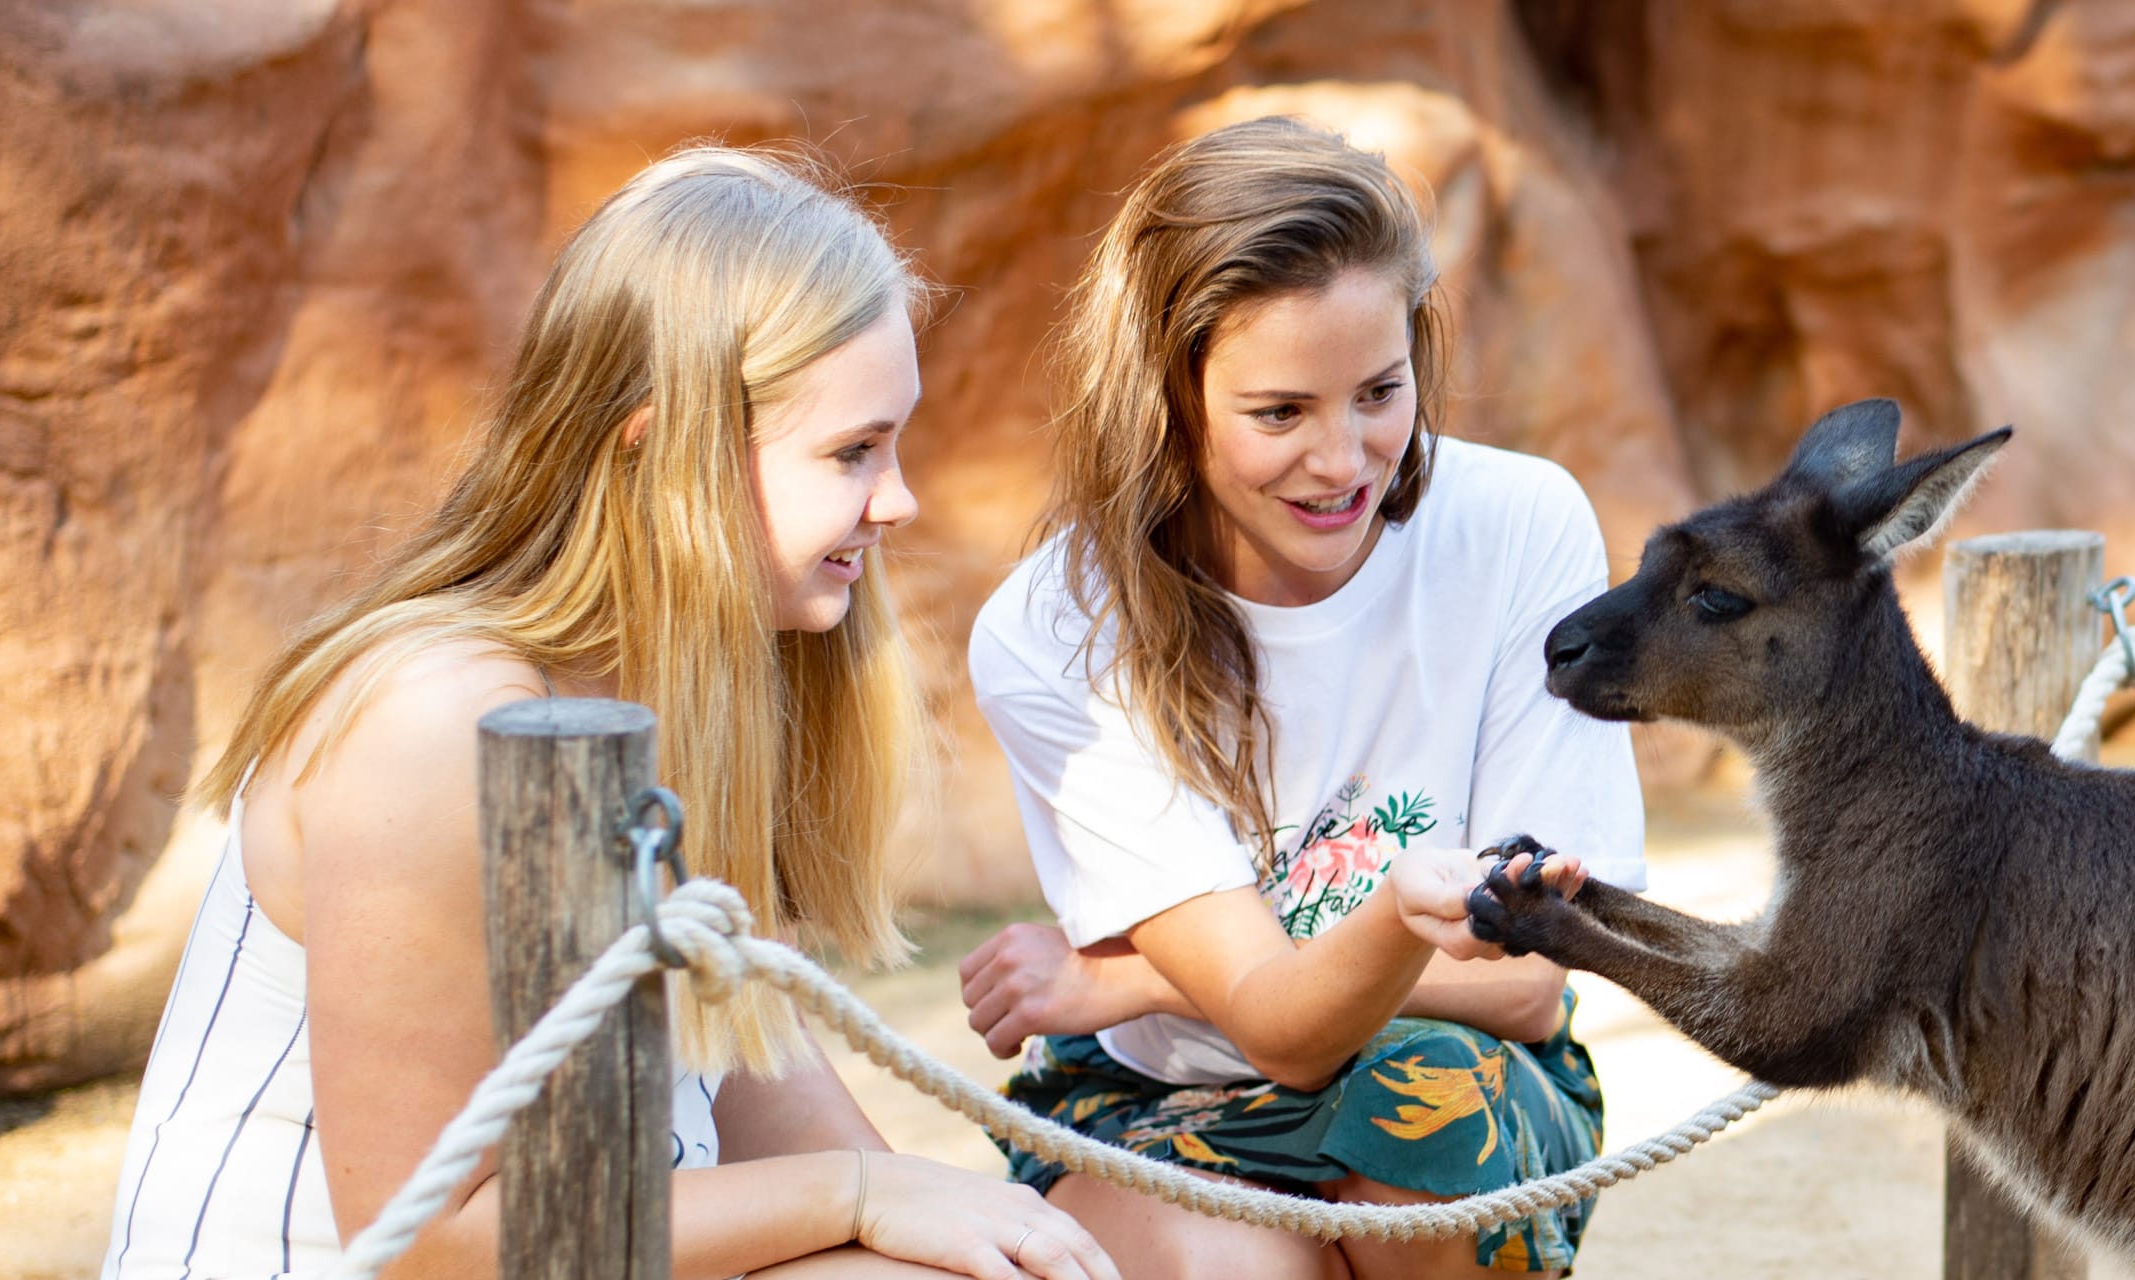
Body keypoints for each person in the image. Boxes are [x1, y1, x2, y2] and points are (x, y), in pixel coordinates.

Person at [101, 145, 1116, 1280]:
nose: (899, 497)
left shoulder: (677, 692)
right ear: (660, 456)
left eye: (894, 441)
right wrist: (860, 1191)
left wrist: (938, 1222)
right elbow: (433, 1242)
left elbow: (792, 1122)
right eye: (851, 451)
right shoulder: (434, 721)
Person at [952, 117, 1640, 1279]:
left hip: (1448, 1084)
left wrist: (1118, 976)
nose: (1343, 461)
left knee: (1436, 1119)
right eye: (1280, 413)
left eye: (1380, 390)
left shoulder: (1523, 526)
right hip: (1160, 1090)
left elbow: (1528, 978)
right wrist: (1398, 913)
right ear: (1170, 397)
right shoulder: (1055, 624)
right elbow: (1276, 1022)